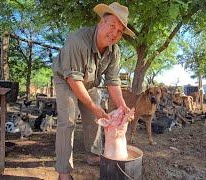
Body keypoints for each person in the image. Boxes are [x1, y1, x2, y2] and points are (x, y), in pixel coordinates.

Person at [52, 2, 135, 180]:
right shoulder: (77, 41)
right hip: (66, 79)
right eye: (112, 26)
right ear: (101, 23)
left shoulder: (115, 51)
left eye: (120, 31)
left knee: (96, 117)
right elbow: (73, 79)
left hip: (89, 84)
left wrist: (122, 106)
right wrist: (91, 106)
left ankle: (93, 154)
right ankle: (63, 171)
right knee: (67, 120)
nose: (114, 33)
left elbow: (113, 81)